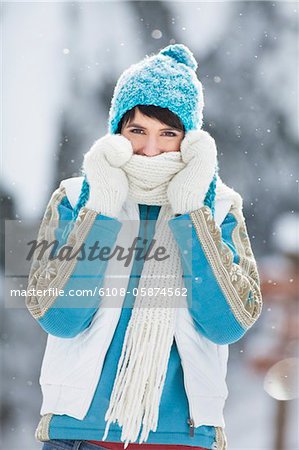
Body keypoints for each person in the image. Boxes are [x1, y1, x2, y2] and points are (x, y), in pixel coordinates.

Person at [25, 44, 263, 450]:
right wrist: (100, 210)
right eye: (137, 131)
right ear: (116, 131)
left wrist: (192, 213)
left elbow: (226, 324)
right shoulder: (72, 198)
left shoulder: (220, 208)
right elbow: (59, 318)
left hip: (183, 438)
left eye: (168, 134)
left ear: (190, 140)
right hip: (79, 436)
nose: (151, 148)